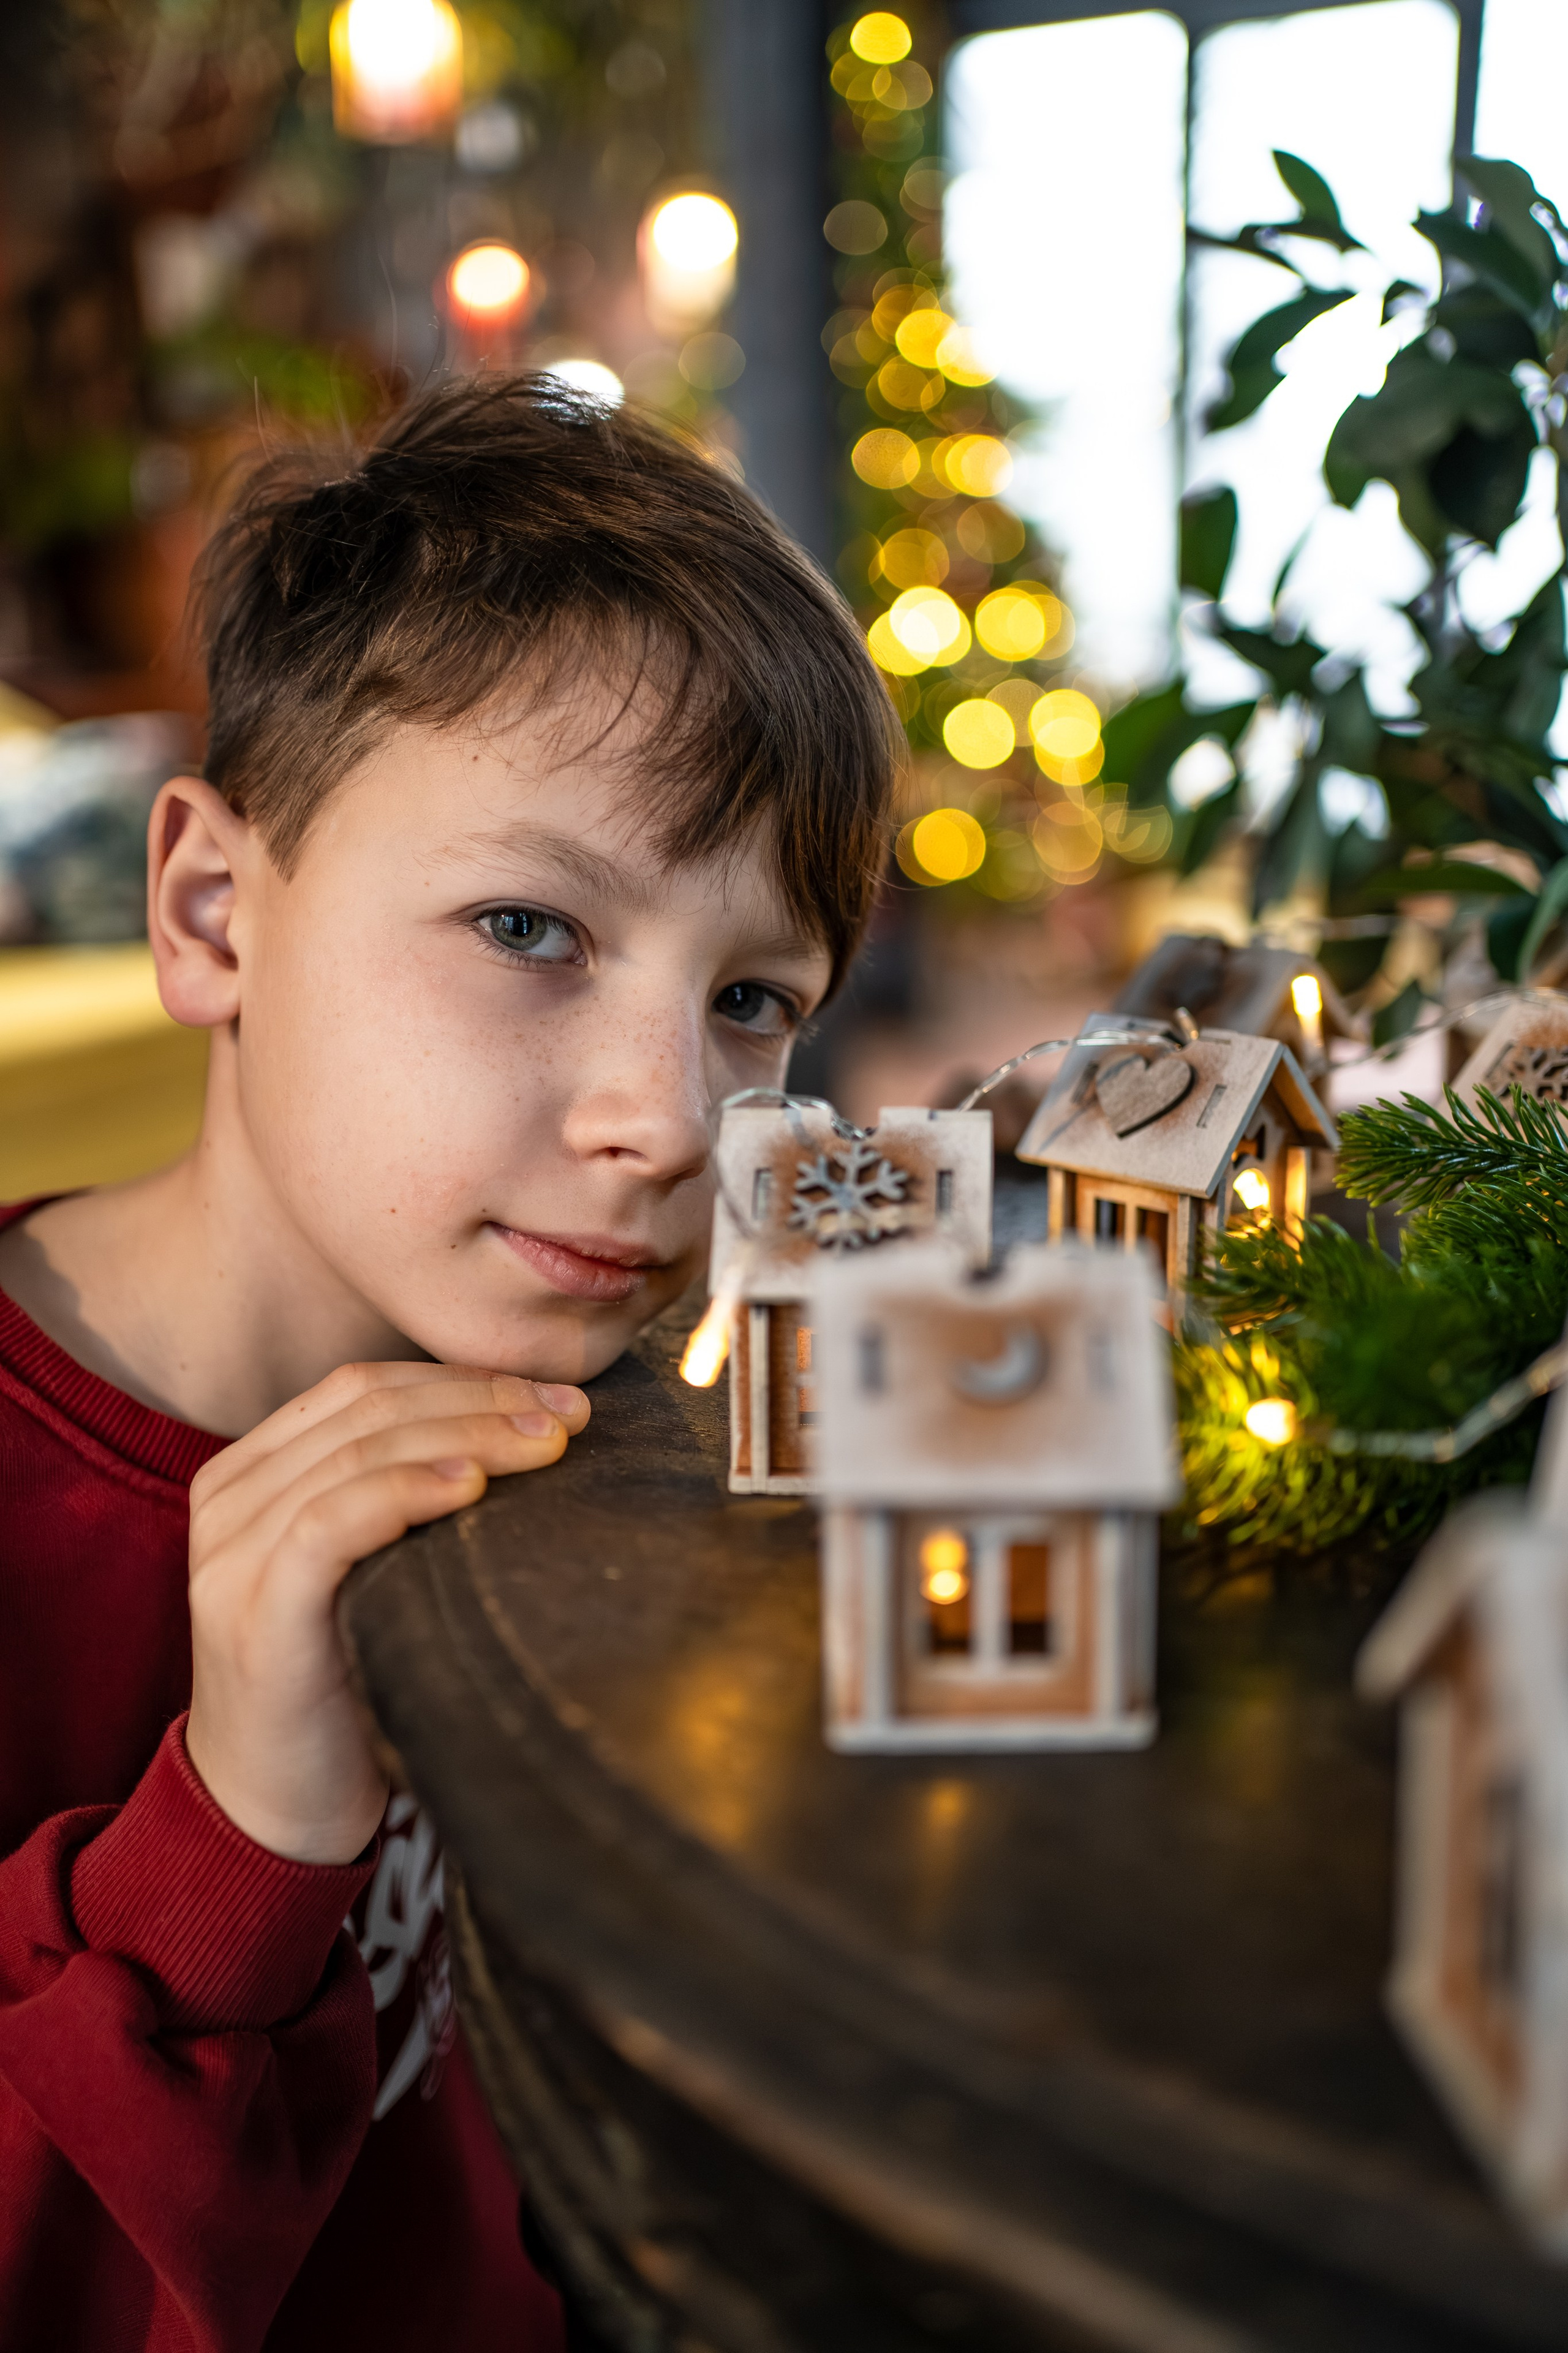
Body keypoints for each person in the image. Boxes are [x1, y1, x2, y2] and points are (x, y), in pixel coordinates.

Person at [0, 376, 895, 2352]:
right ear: (213, 912)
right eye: (530, 926)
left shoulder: (624, 1427)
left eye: (753, 1000)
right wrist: (238, 1828)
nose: (668, 1120)